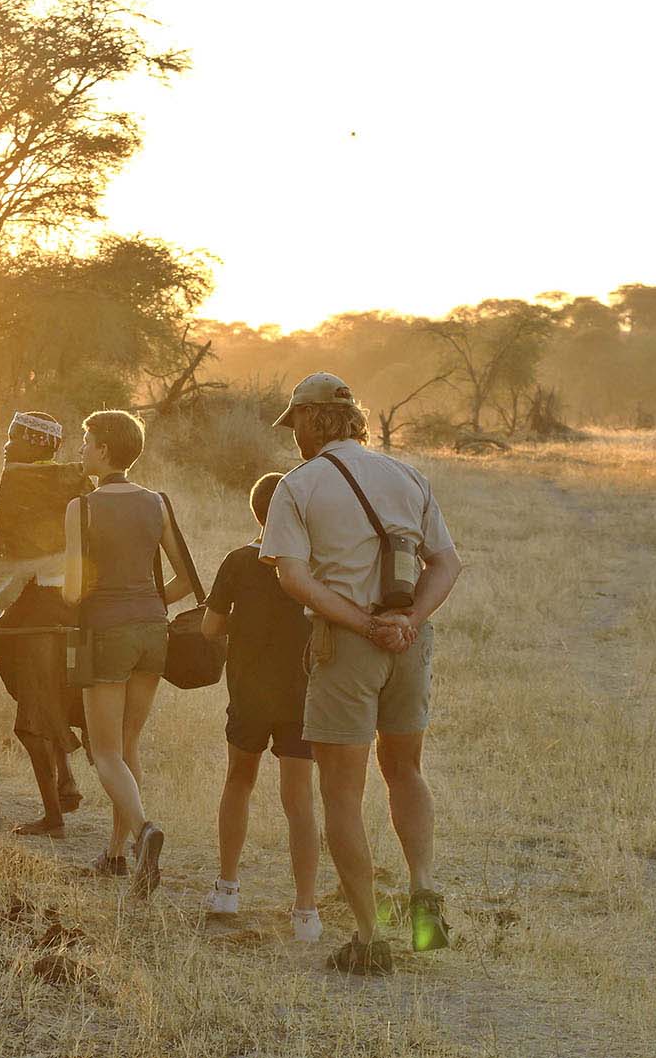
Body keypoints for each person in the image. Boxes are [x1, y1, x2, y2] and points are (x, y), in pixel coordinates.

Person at [261, 372, 463, 975]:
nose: (292, 434)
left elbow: (293, 579)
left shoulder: (298, 485)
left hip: (345, 646)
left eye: (294, 422)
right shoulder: (407, 475)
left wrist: (365, 626)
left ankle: (370, 938)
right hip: (410, 641)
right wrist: (406, 621)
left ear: (310, 420)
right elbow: (446, 563)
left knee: (342, 795)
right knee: (405, 769)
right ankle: (424, 889)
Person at [63, 410, 202, 899]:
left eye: (86, 440)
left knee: (103, 751)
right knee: (127, 746)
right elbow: (187, 579)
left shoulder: (81, 508)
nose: (81, 449)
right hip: (153, 632)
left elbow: (76, 591)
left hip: (105, 633)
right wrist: (146, 604)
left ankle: (143, 832)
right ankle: (116, 855)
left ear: (104, 450)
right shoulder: (158, 503)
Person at [0, 411, 94, 838]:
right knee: (55, 694)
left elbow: (6, 558)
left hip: (35, 607)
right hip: (76, 605)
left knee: (32, 713)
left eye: (14, 438)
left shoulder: (16, 481)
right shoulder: (81, 482)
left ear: (36, 444)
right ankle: (65, 778)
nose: (6, 446)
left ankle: (52, 817)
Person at [200, 473, 323, 944]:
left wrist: (244, 619)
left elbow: (211, 630)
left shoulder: (238, 560)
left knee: (239, 782)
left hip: (249, 694)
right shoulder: (315, 564)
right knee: (299, 802)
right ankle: (306, 911)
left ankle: (228, 887)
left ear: (255, 512)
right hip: (301, 695)